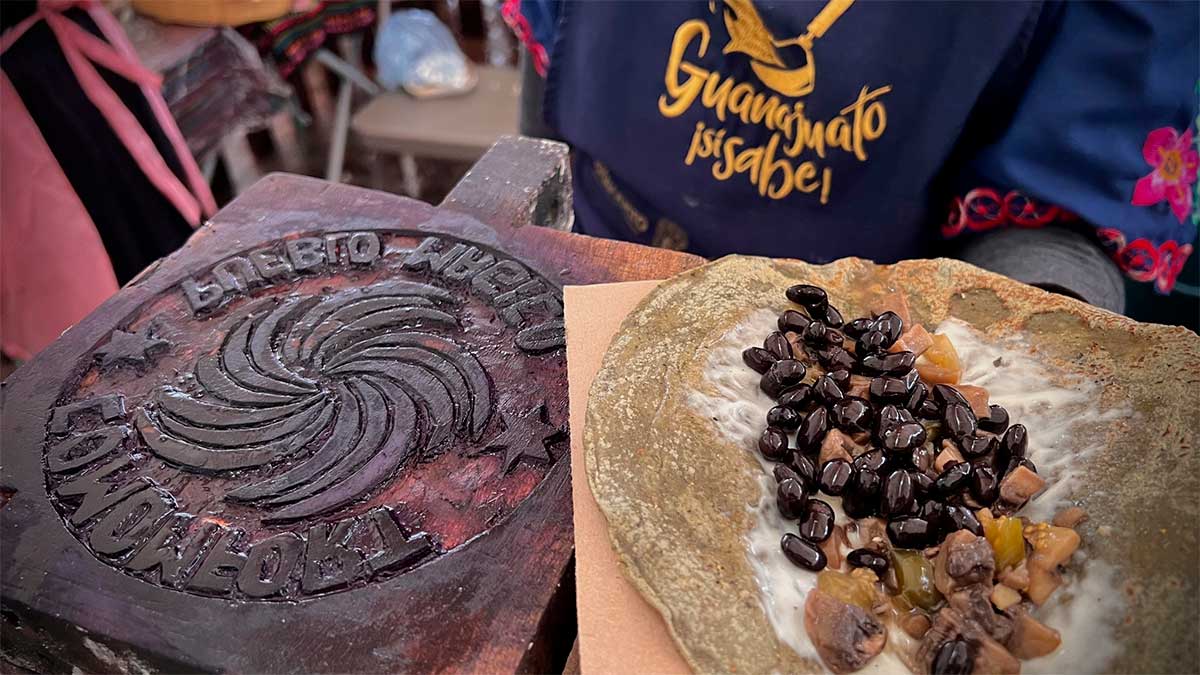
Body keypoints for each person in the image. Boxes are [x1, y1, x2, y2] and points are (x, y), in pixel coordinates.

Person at [505, 0, 1199, 320]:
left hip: (871, 339)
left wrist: (1012, 354)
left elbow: (1062, 211)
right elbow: (552, 84)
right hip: (592, 283)